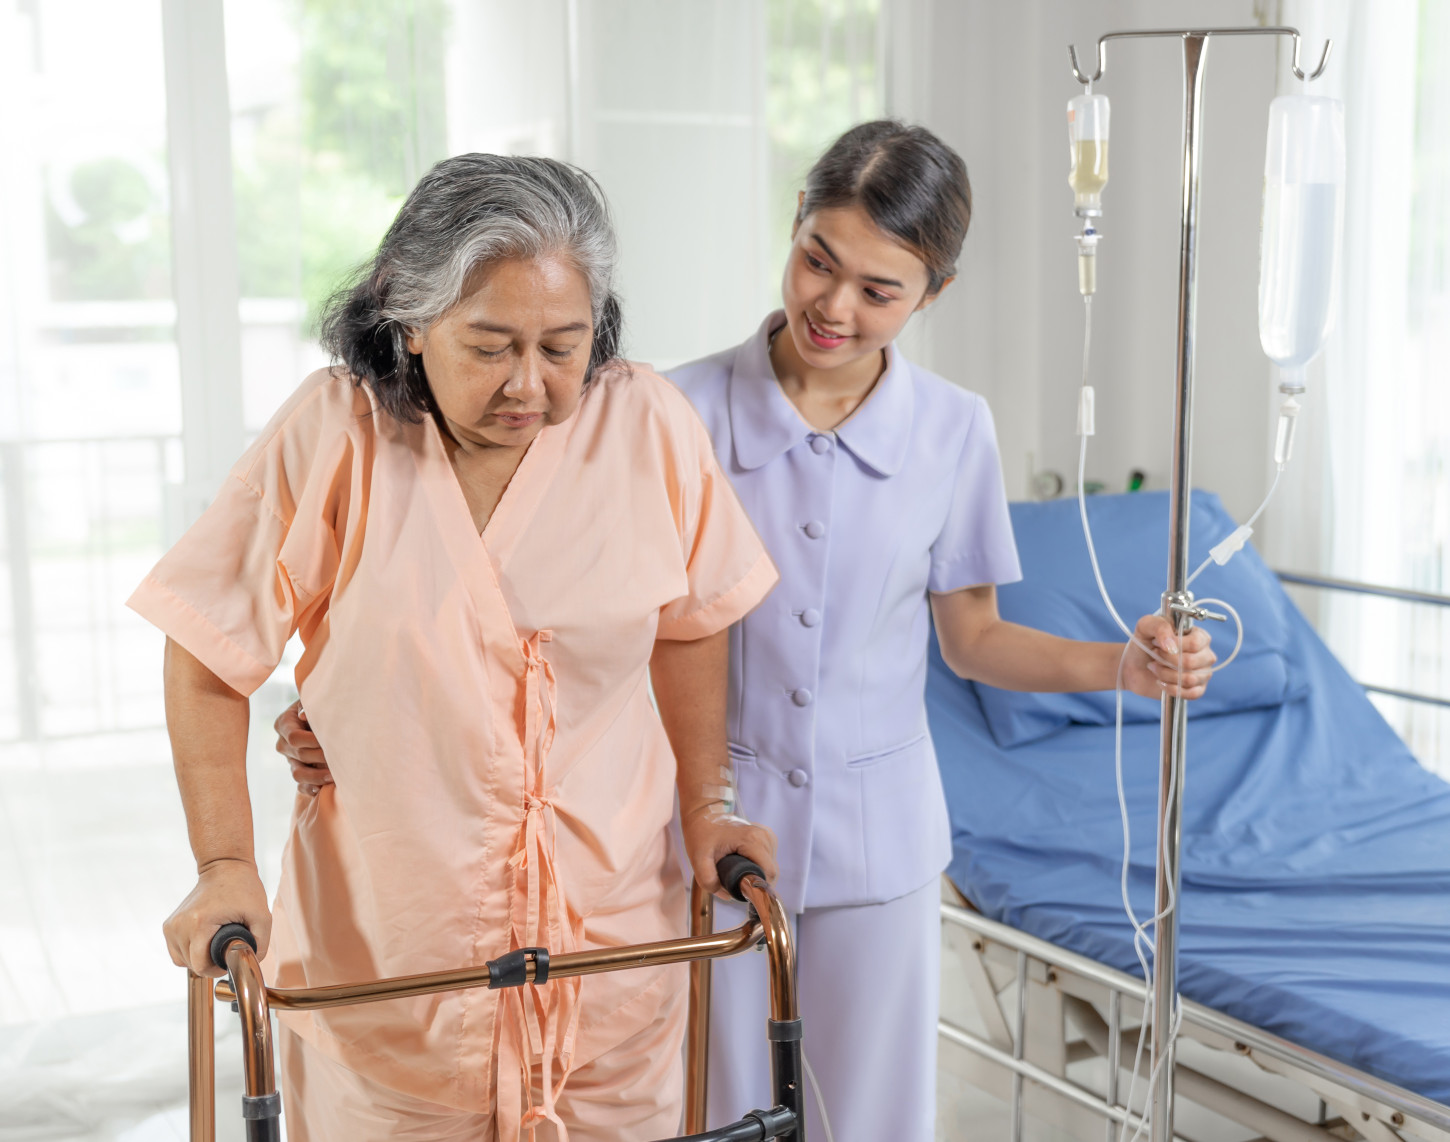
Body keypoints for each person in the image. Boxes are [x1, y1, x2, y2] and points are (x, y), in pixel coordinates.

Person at [276, 122, 1216, 1141]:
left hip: (880, 834)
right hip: (689, 832)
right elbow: (516, 605)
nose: (834, 304)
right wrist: (363, 711)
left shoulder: (954, 430)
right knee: (714, 1110)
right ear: (796, 229)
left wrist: (1118, 665)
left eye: (878, 288)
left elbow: (973, 639)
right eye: (819, 259)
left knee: (871, 1117)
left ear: (932, 295)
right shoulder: (668, 406)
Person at [131, 154, 779, 1142]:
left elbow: (691, 623)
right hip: (397, 961)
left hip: (611, 955)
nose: (531, 383)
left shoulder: (641, 422)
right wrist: (224, 860)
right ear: (409, 320)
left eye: (563, 345)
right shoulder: (336, 433)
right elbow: (209, 650)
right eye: (491, 346)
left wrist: (707, 805)